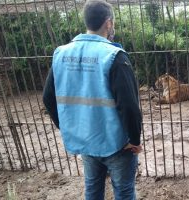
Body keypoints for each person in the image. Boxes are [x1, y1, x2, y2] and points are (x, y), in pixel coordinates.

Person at [42, 0, 142, 199]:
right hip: (117, 144)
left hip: (86, 141)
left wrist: (71, 129)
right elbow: (129, 106)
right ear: (108, 23)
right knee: (124, 192)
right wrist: (135, 139)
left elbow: (47, 98)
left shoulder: (61, 54)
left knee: (93, 190)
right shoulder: (115, 56)